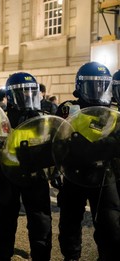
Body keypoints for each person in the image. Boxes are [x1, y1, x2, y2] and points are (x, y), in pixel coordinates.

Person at [56, 61, 120, 261]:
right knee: (69, 222)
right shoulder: (68, 109)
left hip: (104, 175)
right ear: (80, 87)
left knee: (110, 224)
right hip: (74, 172)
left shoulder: (114, 113)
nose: (97, 90)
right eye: (92, 85)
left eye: (102, 85)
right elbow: (57, 140)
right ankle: (71, 257)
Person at [0, 72, 52, 261]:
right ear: (10, 96)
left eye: (30, 92)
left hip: (36, 175)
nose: (27, 96)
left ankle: (41, 257)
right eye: (22, 92)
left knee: (41, 222)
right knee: (6, 221)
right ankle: (3, 256)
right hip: (7, 176)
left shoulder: (43, 119)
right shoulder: (1, 119)